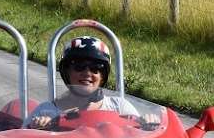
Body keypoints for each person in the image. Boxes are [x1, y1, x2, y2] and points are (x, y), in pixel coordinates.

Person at [27, 34, 159, 129]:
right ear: (67, 72)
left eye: (96, 68)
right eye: (79, 66)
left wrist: (148, 124)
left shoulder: (119, 106)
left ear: (103, 75)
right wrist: (35, 128)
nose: (87, 73)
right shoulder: (47, 111)